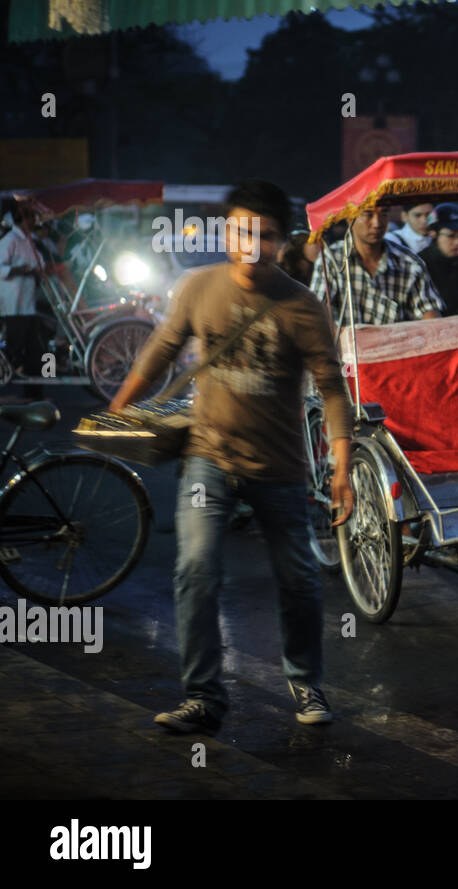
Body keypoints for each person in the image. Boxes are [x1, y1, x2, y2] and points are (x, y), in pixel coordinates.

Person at [109, 180, 355, 734]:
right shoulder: (198, 288)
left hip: (280, 467)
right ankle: (202, 696)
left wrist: (341, 470)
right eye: (243, 232)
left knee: (298, 579)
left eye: (265, 236)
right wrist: (117, 408)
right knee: (195, 569)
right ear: (226, 233)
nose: (252, 246)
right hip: (208, 457)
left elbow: (333, 390)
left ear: (279, 242)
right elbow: (162, 349)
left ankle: (305, 679)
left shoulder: (303, 305)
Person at [310, 203, 443, 327]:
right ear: (350, 218)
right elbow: (317, 312)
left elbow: (429, 312)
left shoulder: (409, 262)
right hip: (348, 350)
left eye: (383, 214)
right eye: (368, 214)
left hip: (396, 348)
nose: (377, 223)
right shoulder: (332, 259)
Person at [0, 196, 46, 398]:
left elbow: (41, 263)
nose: (35, 223)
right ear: (24, 220)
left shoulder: (29, 241)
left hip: (29, 303)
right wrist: (19, 270)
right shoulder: (9, 240)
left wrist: (36, 270)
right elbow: (1, 268)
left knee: (34, 350)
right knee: (14, 347)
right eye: (32, 219)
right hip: (13, 303)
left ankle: (34, 393)